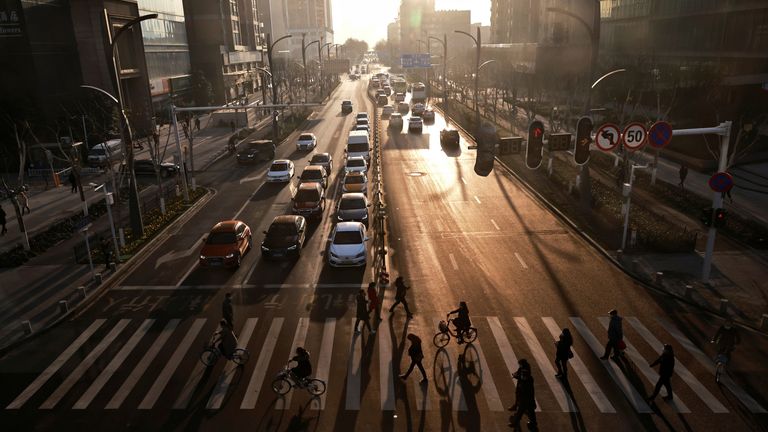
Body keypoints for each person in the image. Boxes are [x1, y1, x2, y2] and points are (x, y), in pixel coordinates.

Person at [508, 359, 537, 431]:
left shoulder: (527, 382)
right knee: (529, 412)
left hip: (526, 401)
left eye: (523, 376)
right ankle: (533, 423)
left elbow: (528, 392)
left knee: (520, 412)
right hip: (527, 400)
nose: (522, 377)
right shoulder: (527, 379)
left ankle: (515, 423)